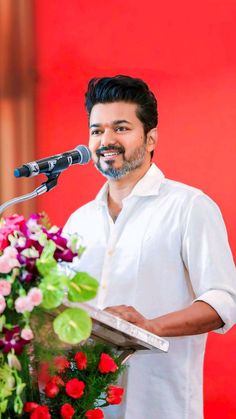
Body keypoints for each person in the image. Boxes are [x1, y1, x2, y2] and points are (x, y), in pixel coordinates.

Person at [64, 75, 236, 419]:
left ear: (151, 138)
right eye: (97, 131)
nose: (106, 140)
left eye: (121, 128)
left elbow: (224, 302)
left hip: (159, 406)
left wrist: (148, 327)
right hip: (84, 408)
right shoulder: (78, 222)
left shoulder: (189, 206)